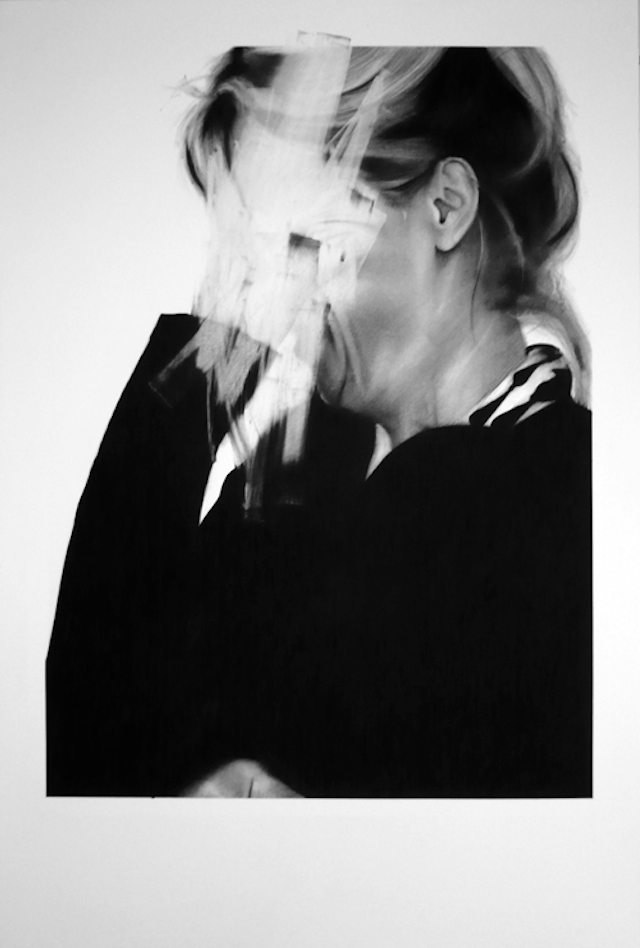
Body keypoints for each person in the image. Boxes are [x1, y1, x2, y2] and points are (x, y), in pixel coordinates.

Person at [46, 44, 591, 798]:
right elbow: (83, 745)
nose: (268, 287)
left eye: (302, 238)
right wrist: (208, 362)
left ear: (445, 207)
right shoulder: (288, 489)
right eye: (248, 243)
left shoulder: (571, 495)